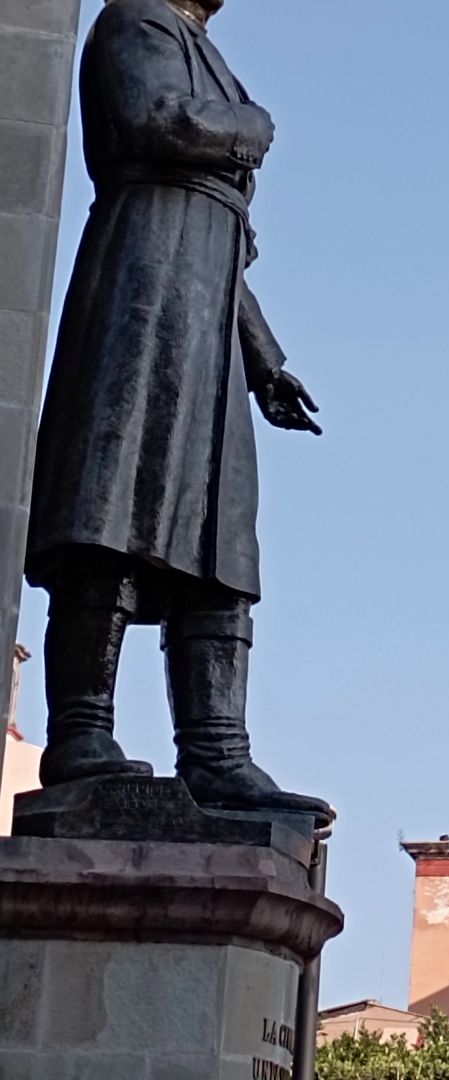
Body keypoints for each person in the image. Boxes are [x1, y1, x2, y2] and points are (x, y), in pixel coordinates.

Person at [25, 0, 329, 820]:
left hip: (209, 331)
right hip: (143, 289)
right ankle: (82, 732)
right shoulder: (135, 22)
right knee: (112, 503)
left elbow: (233, 255)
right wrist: (251, 127)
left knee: (222, 531)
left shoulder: (201, 46)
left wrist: (267, 363)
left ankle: (218, 748)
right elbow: (157, 120)